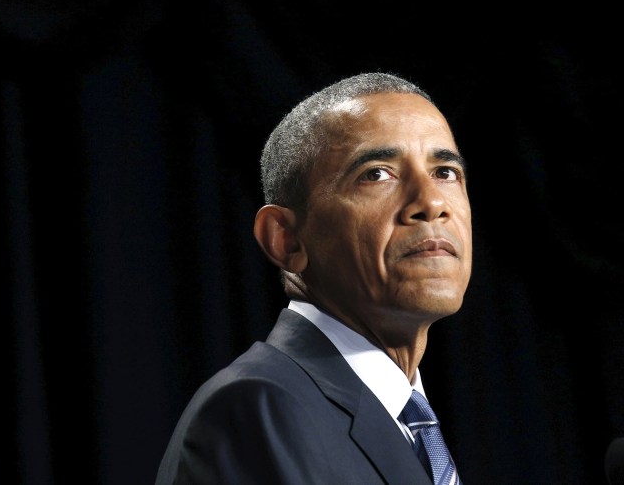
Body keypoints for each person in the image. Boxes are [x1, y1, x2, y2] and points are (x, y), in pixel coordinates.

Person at [155, 72, 472, 484]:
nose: (431, 202)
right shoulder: (259, 408)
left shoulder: (409, 422)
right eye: (377, 173)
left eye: (445, 172)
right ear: (286, 240)